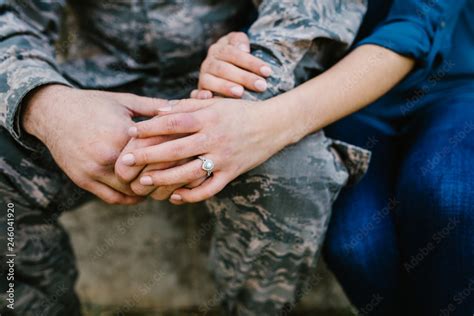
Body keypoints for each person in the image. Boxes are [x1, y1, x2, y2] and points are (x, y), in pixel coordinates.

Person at [0, 1, 368, 315]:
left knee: (294, 169)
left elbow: (307, 9)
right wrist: (46, 104)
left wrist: (247, 91)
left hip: (229, 87)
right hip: (91, 89)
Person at [187, 0, 474, 315]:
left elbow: (416, 26)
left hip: (453, 83)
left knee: (448, 195)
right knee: (355, 247)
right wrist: (235, 50)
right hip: (344, 98)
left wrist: (270, 121)